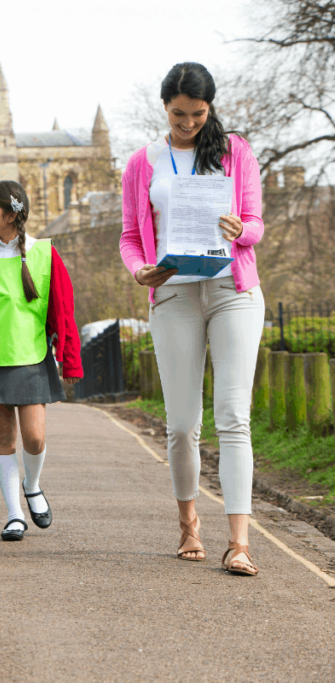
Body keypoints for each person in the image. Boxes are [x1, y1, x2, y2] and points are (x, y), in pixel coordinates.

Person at [120, 62, 265, 576]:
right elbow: (131, 237)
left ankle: (240, 543)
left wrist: (240, 229)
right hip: (175, 295)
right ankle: (188, 524)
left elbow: (256, 222)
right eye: (178, 114)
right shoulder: (144, 162)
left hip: (233, 290)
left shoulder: (235, 151)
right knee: (182, 425)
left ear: (210, 108)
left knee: (233, 416)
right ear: (165, 107)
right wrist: (140, 271)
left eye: (197, 114)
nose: (188, 124)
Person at [0, 181, 82, 542]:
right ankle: (14, 514)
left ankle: (32, 484)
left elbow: (63, 308)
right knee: (3, 436)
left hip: (31, 356)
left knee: (35, 437)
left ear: (11, 214)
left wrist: (70, 362)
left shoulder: (44, 253)